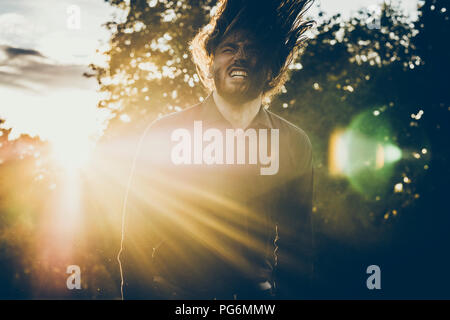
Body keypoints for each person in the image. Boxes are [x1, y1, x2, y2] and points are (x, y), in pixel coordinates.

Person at [119, 0, 315, 299]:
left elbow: (296, 250)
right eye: (229, 48)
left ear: (271, 67)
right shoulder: (165, 134)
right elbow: (134, 239)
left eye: (253, 49)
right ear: (211, 62)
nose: (240, 56)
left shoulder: (293, 143)